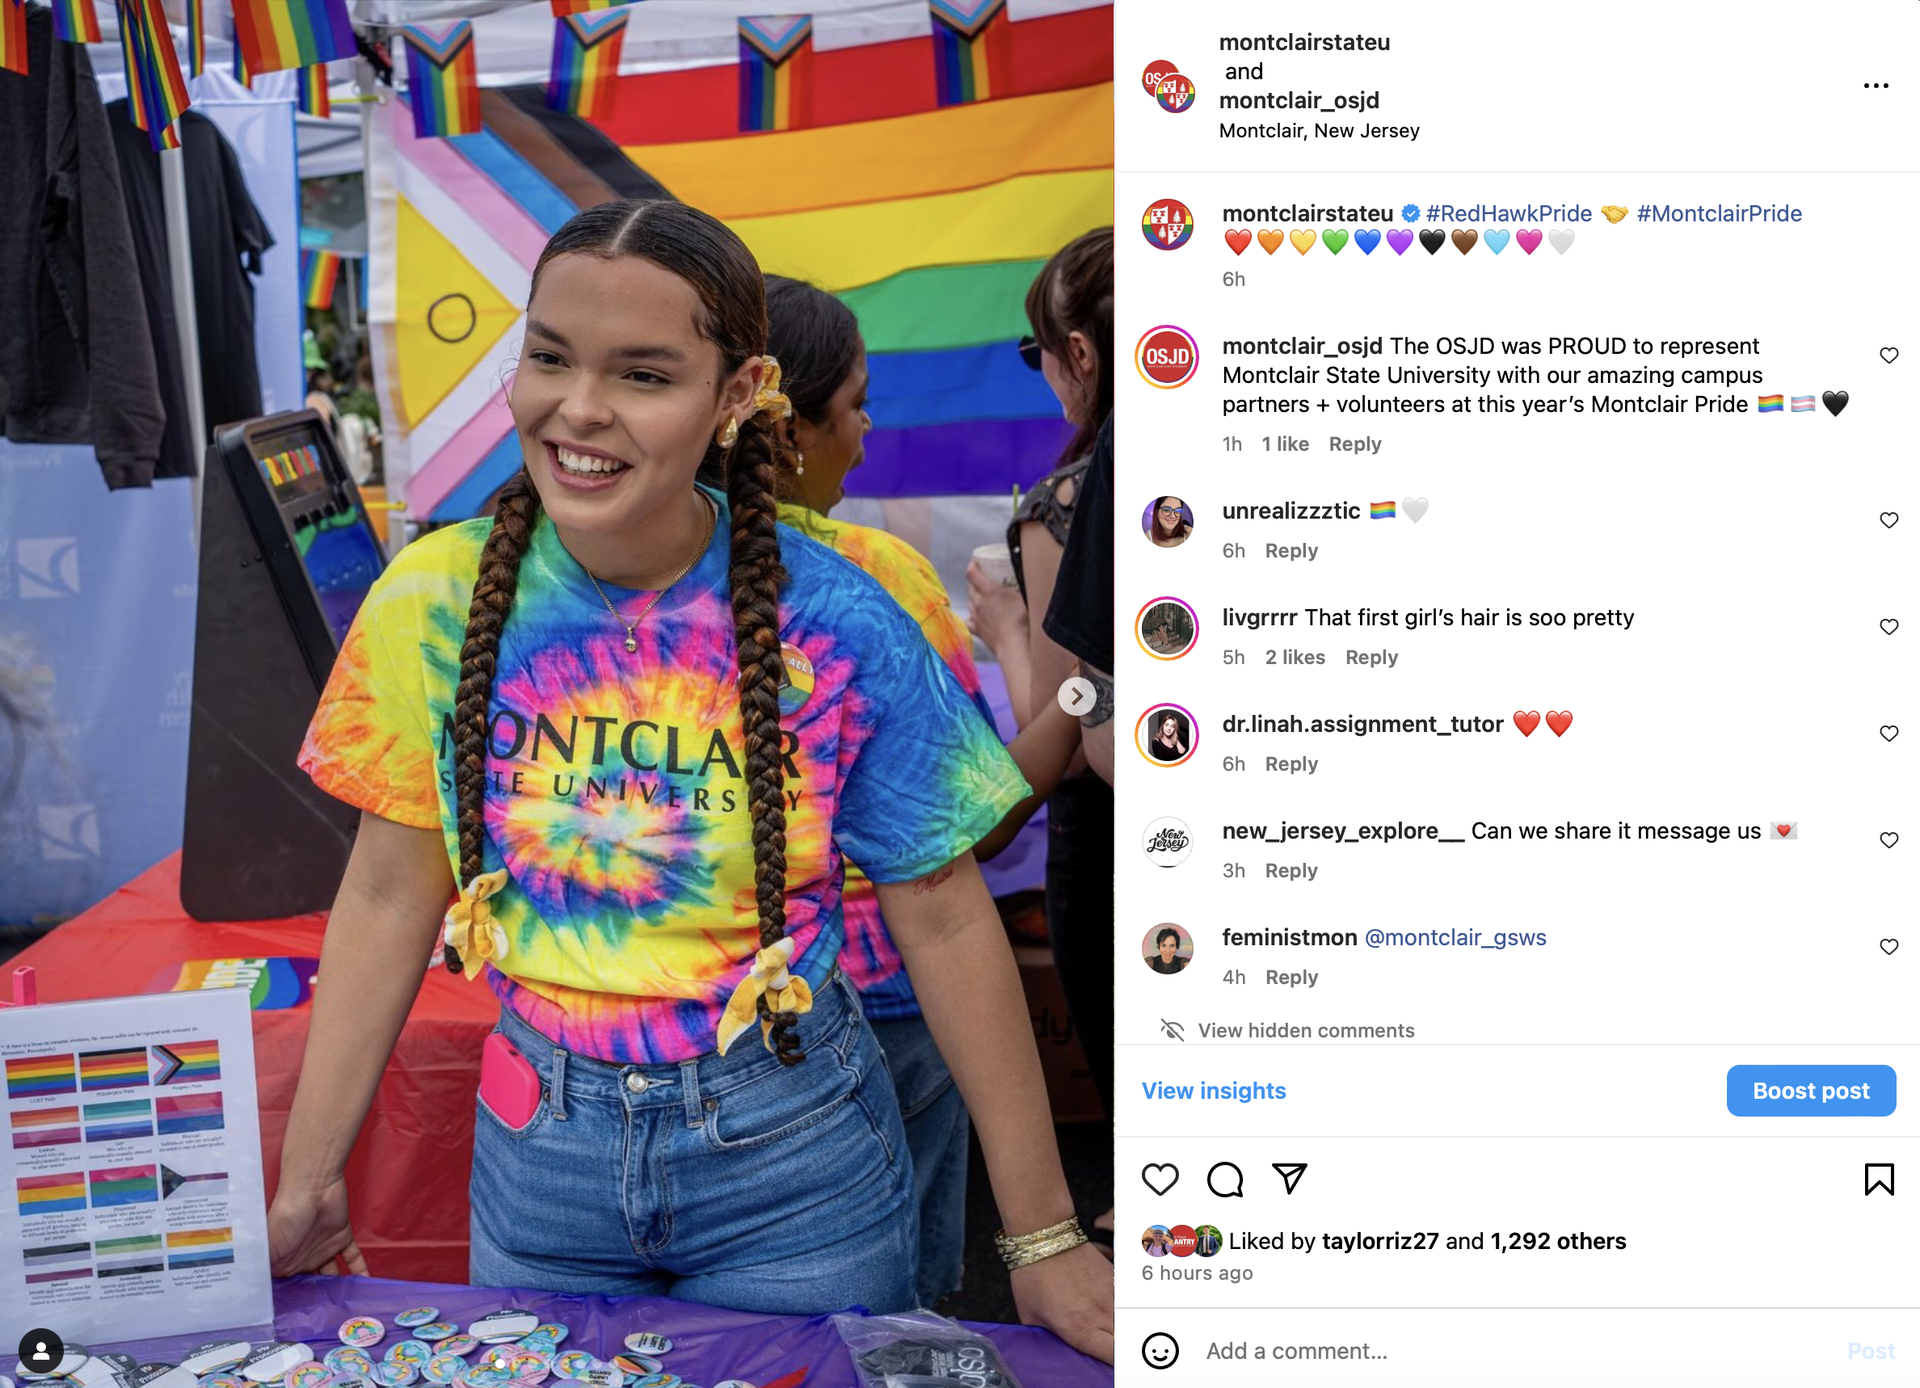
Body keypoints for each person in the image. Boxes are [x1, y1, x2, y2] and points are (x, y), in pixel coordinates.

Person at [271, 200, 1112, 1363]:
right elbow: (382, 896)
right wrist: (309, 1180)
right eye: (551, 355)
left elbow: (947, 912)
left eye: (644, 373)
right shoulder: (432, 598)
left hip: (795, 1159)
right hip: (539, 1161)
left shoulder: (839, 616)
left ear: (737, 393)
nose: (579, 407)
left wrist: (1043, 1237)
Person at [747, 274, 1083, 1306]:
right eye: (854, 405)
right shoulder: (875, 575)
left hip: (733, 1013)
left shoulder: (631, 581)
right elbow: (972, 833)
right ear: (790, 427)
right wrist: (1077, 683)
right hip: (888, 993)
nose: (866, 432)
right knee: (900, 1311)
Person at [965, 228, 1115, 1241]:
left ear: (1083, 355)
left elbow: (1061, 729)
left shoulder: (1069, 499)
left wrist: (1011, 627)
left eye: (1039, 355)